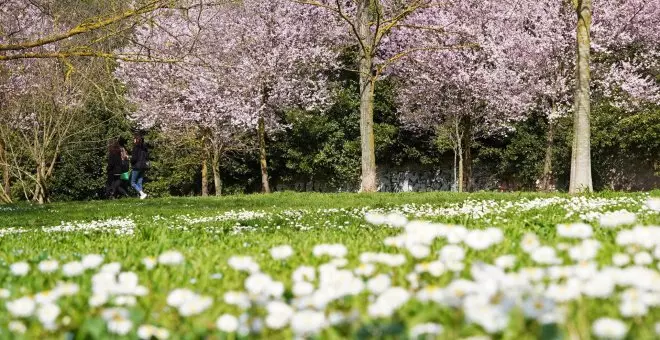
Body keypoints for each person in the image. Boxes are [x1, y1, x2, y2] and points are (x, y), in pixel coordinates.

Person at [130, 133, 149, 199]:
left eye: (134, 139)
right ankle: (142, 196)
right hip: (143, 166)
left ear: (136, 140)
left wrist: (131, 161)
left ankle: (142, 193)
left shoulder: (135, 147)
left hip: (137, 166)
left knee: (133, 183)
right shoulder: (144, 147)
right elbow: (146, 157)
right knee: (139, 182)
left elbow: (134, 158)